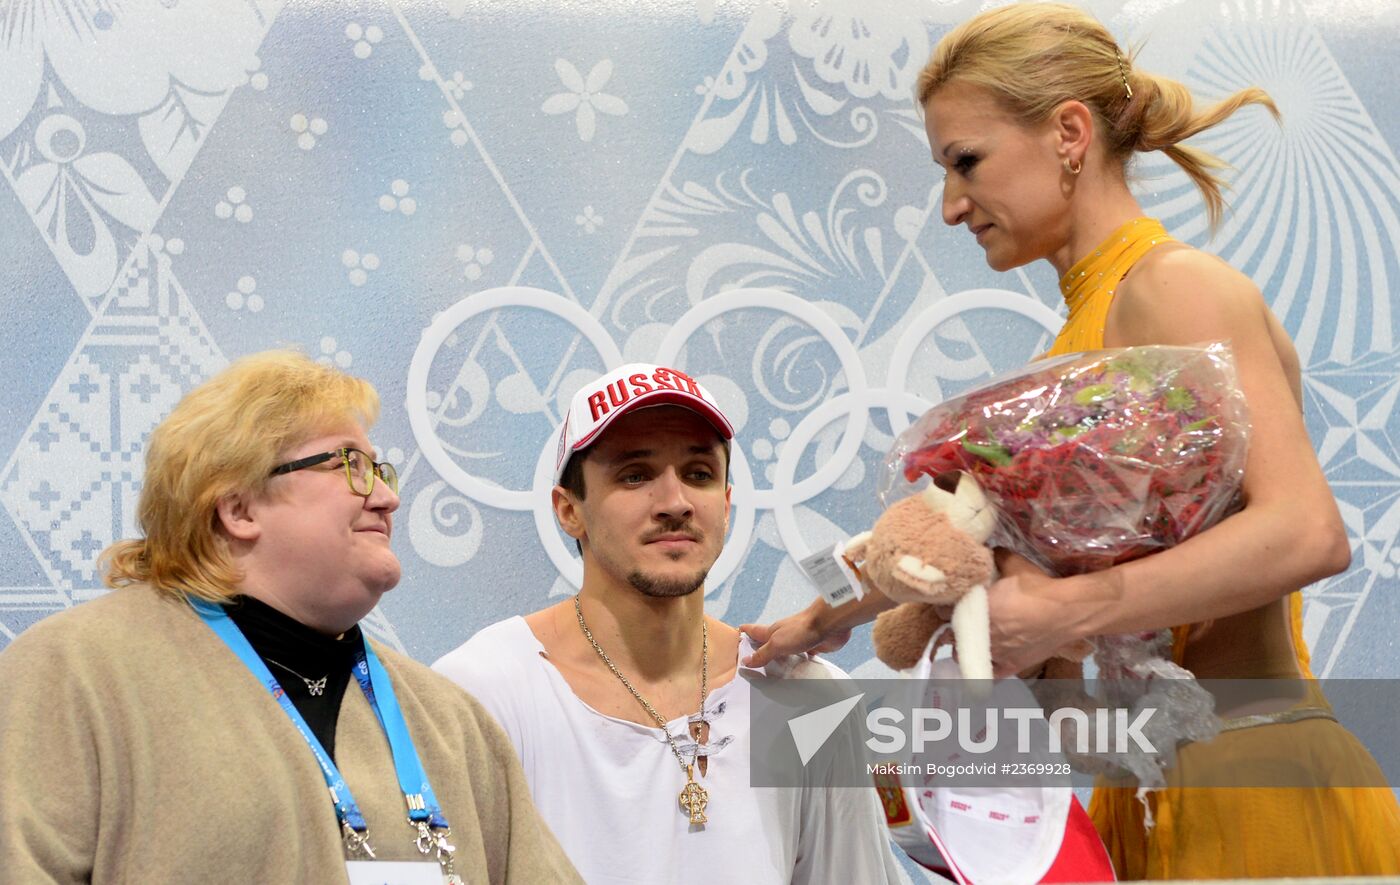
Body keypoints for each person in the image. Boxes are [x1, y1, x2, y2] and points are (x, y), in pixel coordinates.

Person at [742, 4, 1400, 879]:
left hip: (1257, 784)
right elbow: (960, 547)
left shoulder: (1174, 288)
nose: (948, 206)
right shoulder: (1075, 342)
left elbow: (1307, 530)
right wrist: (818, 620)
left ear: (1068, 132)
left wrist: (1063, 612)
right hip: (1145, 799)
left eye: (964, 162)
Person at [0, 350, 580, 884]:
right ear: (238, 507)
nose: (386, 498)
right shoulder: (76, 672)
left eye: (381, 472)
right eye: (351, 466)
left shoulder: (451, 722)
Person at [433, 363, 903, 884]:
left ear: (725, 505)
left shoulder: (807, 700)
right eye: (635, 475)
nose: (675, 503)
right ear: (569, 511)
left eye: (699, 474)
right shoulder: (483, 692)